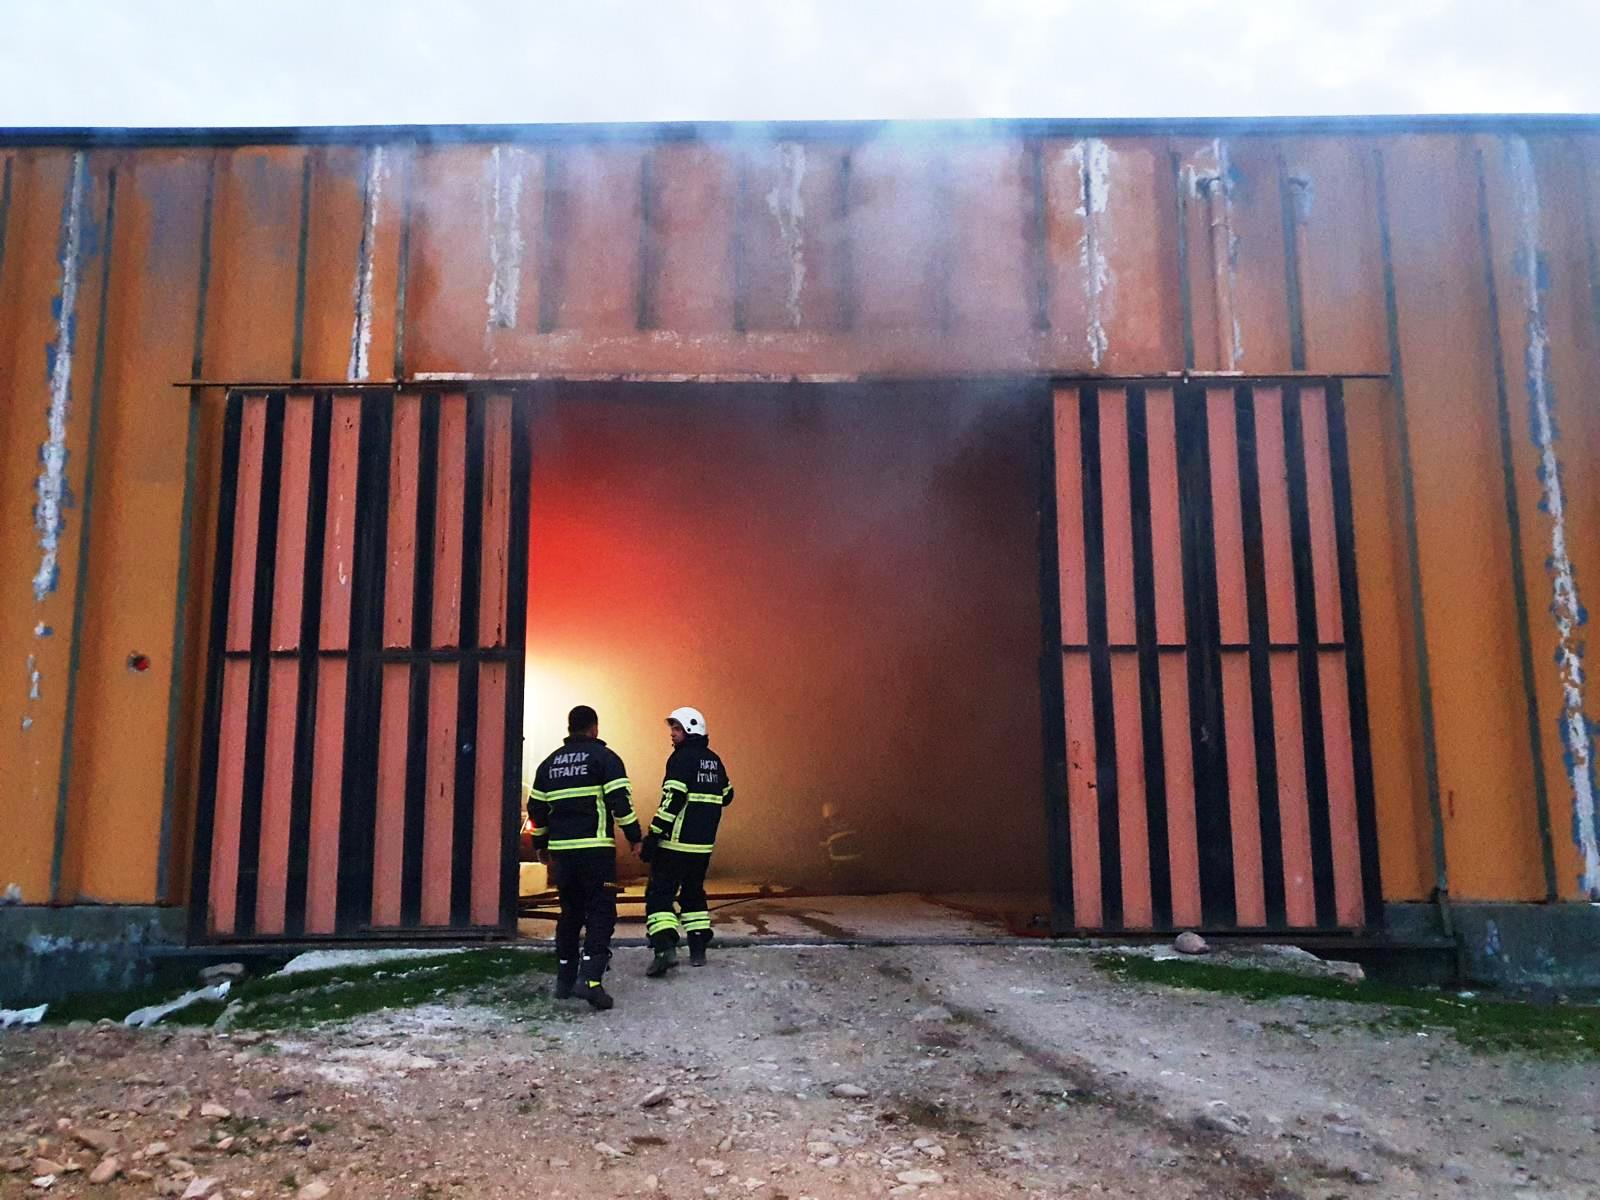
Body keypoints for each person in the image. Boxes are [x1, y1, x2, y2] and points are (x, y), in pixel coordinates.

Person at [527, 705, 641, 1010]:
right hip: (595, 851)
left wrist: (541, 845)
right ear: (595, 728)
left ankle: (564, 979)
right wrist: (635, 837)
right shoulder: (606, 759)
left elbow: (536, 810)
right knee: (601, 912)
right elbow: (621, 803)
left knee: (570, 913)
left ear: (569, 727)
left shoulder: (548, 764)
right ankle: (590, 980)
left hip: (563, 853)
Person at [641, 706, 733, 975]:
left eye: (677, 728)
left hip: (675, 844)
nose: (672, 734)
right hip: (702, 845)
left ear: (692, 729)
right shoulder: (715, 761)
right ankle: (697, 949)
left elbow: (672, 799)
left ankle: (664, 948)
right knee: (693, 893)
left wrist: (654, 834)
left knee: (659, 896)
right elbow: (727, 795)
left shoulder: (681, 759)